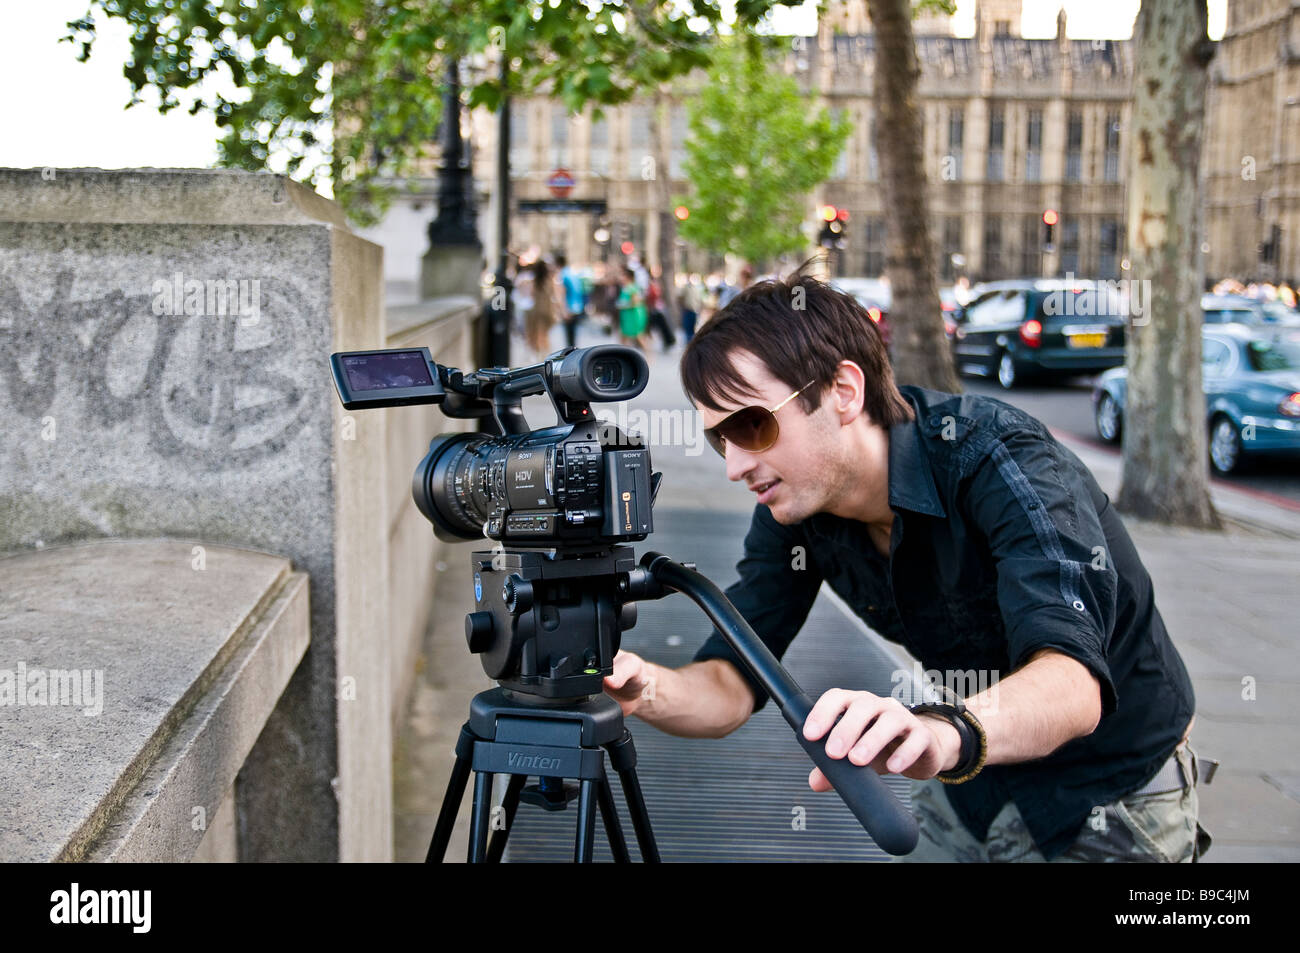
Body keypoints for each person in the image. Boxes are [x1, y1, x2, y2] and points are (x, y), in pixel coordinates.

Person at [603, 268, 1212, 863]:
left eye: (751, 425)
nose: (734, 466)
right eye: (719, 439)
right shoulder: (796, 509)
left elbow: (1073, 685)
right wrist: (644, 687)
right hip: (971, 775)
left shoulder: (1000, 460)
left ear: (844, 391)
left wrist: (943, 733)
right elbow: (732, 683)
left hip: (1110, 790)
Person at [524, 258, 562, 357]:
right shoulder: (550, 281)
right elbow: (556, 297)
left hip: (536, 311)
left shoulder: (534, 281)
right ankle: (545, 355)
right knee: (544, 335)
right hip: (547, 310)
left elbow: (530, 295)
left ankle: (539, 355)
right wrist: (559, 310)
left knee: (536, 335)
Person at [615, 266, 650, 351]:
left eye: (622, 275)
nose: (620, 277)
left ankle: (649, 359)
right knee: (623, 338)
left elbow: (637, 302)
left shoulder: (632, 288)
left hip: (634, 316)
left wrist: (623, 305)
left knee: (639, 336)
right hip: (627, 316)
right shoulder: (625, 288)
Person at [557, 254, 586, 350]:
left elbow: (561, 294)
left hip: (569, 308)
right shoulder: (572, 273)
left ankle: (571, 356)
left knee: (569, 337)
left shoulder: (562, 275)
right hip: (577, 306)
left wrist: (564, 310)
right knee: (573, 335)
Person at [677, 273, 702, 343]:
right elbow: (680, 298)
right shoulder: (685, 288)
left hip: (694, 311)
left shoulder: (697, 289)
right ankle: (688, 343)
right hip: (687, 310)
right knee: (688, 330)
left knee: (692, 329)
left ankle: (691, 342)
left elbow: (699, 301)